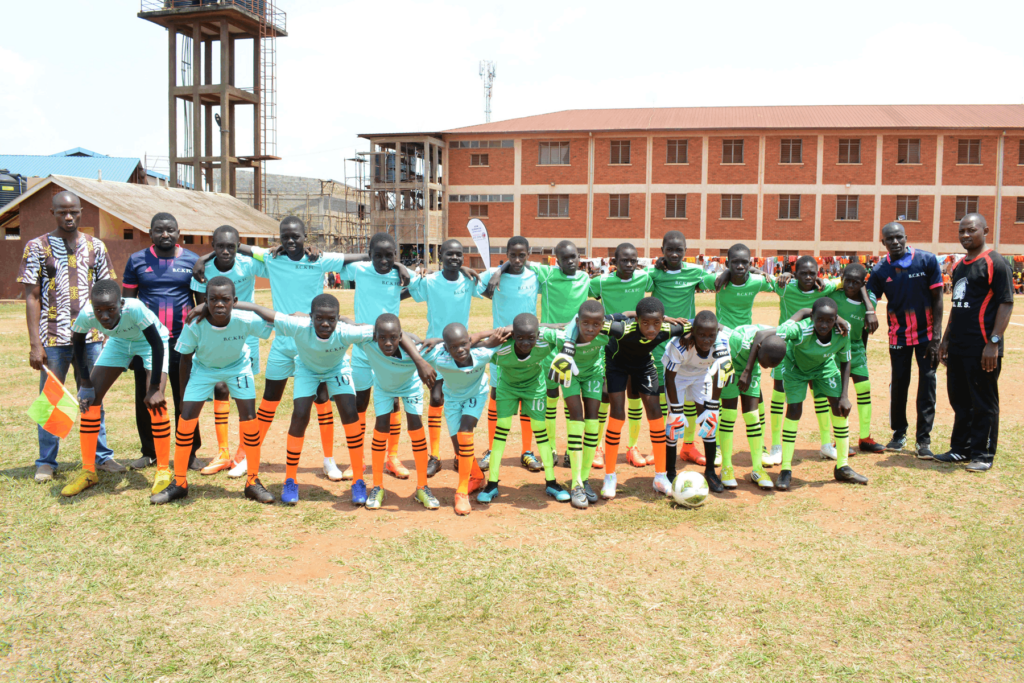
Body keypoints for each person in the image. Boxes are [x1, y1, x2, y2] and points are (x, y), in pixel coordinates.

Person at [232, 294, 377, 504]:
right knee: (299, 415)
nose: (325, 324)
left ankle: (358, 479)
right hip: (307, 370)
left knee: (350, 413)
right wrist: (233, 304)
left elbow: (385, 330)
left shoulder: (347, 331)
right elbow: (264, 312)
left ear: (338, 319)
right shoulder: (299, 326)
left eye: (331, 319)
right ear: (311, 317)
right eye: (319, 318)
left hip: (336, 369)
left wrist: (417, 351)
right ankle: (290, 479)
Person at [18, 190, 122, 482]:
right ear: (52, 212)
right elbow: (31, 296)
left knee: (93, 396)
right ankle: (46, 462)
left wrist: (109, 333)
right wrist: (34, 344)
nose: (68, 216)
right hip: (53, 338)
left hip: (90, 337)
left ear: (80, 212)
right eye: (62, 211)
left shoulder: (95, 246)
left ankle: (100, 456)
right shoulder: (36, 246)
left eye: (73, 211)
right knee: (51, 398)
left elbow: (109, 292)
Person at [152, 277, 273, 504]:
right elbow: (185, 360)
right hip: (203, 370)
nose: (219, 305)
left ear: (234, 301)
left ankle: (253, 482)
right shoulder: (195, 324)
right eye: (213, 300)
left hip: (238, 368)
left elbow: (273, 321)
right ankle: (179, 482)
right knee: (186, 419)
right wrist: (183, 396)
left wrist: (252, 306)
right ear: (204, 301)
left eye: (225, 300)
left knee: (249, 419)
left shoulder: (243, 319)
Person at [64, 281, 170, 498]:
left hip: (150, 344)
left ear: (121, 304)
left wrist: (154, 387)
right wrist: (85, 382)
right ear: (91, 305)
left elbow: (157, 345)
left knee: (156, 403)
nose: (104, 316)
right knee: (89, 402)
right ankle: (88, 471)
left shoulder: (135, 309)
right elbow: (77, 344)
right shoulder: (86, 315)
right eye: (99, 310)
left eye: (111, 309)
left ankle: (163, 471)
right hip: (119, 343)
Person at [122, 213, 201, 472]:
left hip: (182, 341)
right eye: (159, 230)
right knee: (147, 395)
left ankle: (189, 453)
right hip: (146, 342)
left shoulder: (192, 261)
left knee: (186, 396)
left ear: (179, 232)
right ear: (150, 233)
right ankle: (150, 452)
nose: (164, 234)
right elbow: (128, 304)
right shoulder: (136, 261)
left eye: (170, 230)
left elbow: (201, 304)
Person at [935, 214, 1013, 472]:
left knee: (983, 402)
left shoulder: (995, 262)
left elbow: (1005, 303)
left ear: (985, 231)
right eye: (962, 231)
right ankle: (961, 449)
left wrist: (993, 342)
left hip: (983, 348)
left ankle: (983, 454)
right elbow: (957, 308)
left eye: (971, 230)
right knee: (960, 401)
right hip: (958, 346)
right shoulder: (960, 266)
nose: (966, 235)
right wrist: (945, 341)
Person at [190, 225, 268, 475]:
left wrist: (206, 255)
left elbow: (270, 259)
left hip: (245, 332)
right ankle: (223, 452)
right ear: (212, 246)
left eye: (231, 246)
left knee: (244, 392)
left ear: (238, 246)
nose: (225, 251)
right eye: (219, 246)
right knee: (220, 387)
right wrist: (204, 259)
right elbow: (201, 306)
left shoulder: (248, 263)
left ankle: (243, 453)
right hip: (216, 334)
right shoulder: (203, 271)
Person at [338, 233, 417, 480]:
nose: (384, 260)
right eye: (377, 255)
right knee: (360, 402)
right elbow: (333, 263)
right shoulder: (360, 270)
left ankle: (392, 457)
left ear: (395, 256)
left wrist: (400, 268)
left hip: (390, 349)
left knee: (393, 401)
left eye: (389, 256)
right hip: (363, 348)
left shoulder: (401, 275)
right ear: (369, 254)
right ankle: (357, 460)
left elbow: (419, 287)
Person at [867, 222, 944, 458]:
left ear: (906, 237)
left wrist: (937, 335)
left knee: (927, 383)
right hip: (898, 335)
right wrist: (870, 311)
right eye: (890, 239)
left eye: (899, 237)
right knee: (899, 383)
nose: (895, 242)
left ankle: (924, 440)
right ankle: (899, 433)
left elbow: (938, 298)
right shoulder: (880, 270)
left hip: (927, 337)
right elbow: (868, 294)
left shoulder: (927, 260)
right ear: (883, 243)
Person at [407, 238, 482, 475]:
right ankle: (436, 456)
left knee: (458, 399)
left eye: (459, 255)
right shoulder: (430, 281)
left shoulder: (469, 281)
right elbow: (410, 288)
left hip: (460, 349)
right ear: (440, 258)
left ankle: (461, 454)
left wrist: (465, 270)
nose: (454, 258)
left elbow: (489, 286)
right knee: (436, 398)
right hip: (435, 349)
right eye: (449, 254)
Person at [775, 299, 865, 491]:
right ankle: (786, 469)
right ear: (812, 318)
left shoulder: (842, 331)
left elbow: (846, 361)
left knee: (840, 410)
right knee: (794, 411)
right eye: (819, 320)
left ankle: (842, 466)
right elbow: (780, 331)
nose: (824, 325)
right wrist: (802, 312)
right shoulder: (800, 331)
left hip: (824, 368)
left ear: (836, 320)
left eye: (829, 320)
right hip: (795, 369)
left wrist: (844, 395)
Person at [477, 313, 566, 505]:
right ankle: (492, 484)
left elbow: (570, 336)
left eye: (531, 338)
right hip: (507, 388)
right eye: (520, 337)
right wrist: (490, 341)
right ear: (512, 335)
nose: (526, 342)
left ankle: (551, 482)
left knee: (540, 431)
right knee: (502, 430)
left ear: (538, 334)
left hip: (534, 388)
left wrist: (564, 357)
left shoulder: (545, 340)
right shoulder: (499, 348)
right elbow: (469, 344)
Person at [351, 314, 438, 511]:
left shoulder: (419, 350)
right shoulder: (367, 343)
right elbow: (346, 324)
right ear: (374, 336)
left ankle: (423, 486)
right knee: (380, 429)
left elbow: (449, 344)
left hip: (411, 388)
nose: (388, 343)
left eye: (393, 338)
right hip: (384, 388)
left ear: (401, 337)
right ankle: (377, 486)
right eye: (382, 338)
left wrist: (433, 345)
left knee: (416, 429)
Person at [419, 322, 508, 514]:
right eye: (453, 347)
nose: (460, 350)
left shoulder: (483, 353)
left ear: (470, 341)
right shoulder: (440, 357)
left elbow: (514, 329)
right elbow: (409, 341)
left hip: (476, 395)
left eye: (464, 344)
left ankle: (461, 492)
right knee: (459, 449)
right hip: (452, 399)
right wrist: (423, 360)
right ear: (446, 348)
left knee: (465, 433)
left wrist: (486, 340)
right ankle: (476, 477)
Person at [587, 242, 655, 470]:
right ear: (613, 262)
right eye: (624, 260)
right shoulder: (601, 282)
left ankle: (632, 447)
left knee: (634, 395)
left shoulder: (644, 278)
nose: (629, 264)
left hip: (636, 346)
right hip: (608, 346)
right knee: (606, 396)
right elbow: (583, 292)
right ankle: (597, 447)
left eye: (633, 260)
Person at [648, 231, 712, 470]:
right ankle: (665, 446)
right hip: (659, 341)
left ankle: (688, 445)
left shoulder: (695, 272)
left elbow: (717, 280)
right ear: (662, 249)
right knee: (666, 397)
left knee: (689, 396)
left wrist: (756, 272)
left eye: (680, 250)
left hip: (686, 342)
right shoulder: (654, 273)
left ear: (686, 250)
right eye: (670, 249)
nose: (674, 254)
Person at [479, 236, 541, 473]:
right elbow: (480, 289)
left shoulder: (535, 275)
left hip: (529, 346)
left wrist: (501, 268)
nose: (517, 259)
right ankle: (493, 449)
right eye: (512, 255)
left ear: (528, 253)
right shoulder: (495, 276)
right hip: (502, 345)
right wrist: (498, 271)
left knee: (527, 398)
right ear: (506, 254)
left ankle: (527, 451)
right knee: (496, 396)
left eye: (522, 255)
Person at [662, 311, 731, 492]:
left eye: (711, 335)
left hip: (702, 376)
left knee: (710, 421)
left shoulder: (722, 343)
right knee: (674, 424)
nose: (707, 340)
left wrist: (713, 406)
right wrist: (676, 410)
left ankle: (710, 471)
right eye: (701, 335)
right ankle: (670, 472)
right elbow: (669, 378)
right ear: (693, 332)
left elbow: (722, 374)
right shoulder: (680, 346)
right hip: (678, 378)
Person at [718, 324, 787, 490]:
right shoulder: (738, 340)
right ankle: (726, 467)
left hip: (751, 365)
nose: (767, 367)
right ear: (759, 349)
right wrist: (744, 372)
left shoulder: (776, 343)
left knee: (752, 416)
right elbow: (722, 360)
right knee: (729, 414)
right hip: (730, 361)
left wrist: (750, 370)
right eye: (766, 363)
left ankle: (757, 469)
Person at [827, 264, 885, 453]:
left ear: (862, 284)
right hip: (835, 349)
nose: (850, 285)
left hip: (857, 348)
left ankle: (865, 437)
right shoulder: (834, 296)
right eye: (847, 280)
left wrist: (864, 351)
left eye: (855, 282)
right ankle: (839, 438)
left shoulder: (871, 302)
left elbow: (865, 330)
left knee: (864, 389)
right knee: (836, 394)